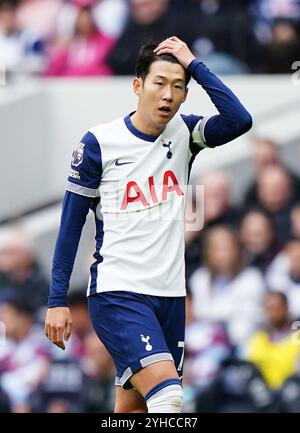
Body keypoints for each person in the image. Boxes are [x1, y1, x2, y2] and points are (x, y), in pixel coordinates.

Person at [44, 36, 252, 413]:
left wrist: (195, 65)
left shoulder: (186, 133)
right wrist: (57, 299)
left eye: (178, 86)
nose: (168, 95)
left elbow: (240, 120)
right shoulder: (99, 143)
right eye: (159, 83)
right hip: (119, 292)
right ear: (138, 85)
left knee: (134, 410)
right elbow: (70, 226)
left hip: (170, 295)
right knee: (169, 399)